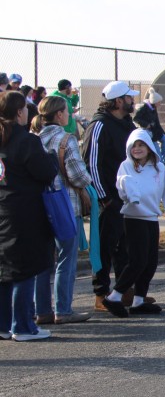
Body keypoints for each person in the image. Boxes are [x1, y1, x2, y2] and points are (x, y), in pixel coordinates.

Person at [99, 130, 165, 317]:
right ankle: (114, 297)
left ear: (149, 147)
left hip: (151, 218)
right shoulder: (126, 166)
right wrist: (130, 191)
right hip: (133, 219)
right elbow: (122, 188)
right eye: (134, 146)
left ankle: (138, 301)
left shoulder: (159, 168)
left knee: (151, 263)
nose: (137, 149)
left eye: (141, 145)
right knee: (138, 261)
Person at [0, 91, 59, 341]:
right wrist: (52, 159)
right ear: (18, 112)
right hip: (25, 211)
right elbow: (45, 172)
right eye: (25, 108)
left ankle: (3, 325)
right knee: (25, 269)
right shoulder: (26, 141)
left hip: (3, 209)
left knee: (4, 271)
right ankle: (23, 326)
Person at [33, 96, 93, 325]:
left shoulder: (35, 139)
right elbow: (78, 176)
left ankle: (42, 310)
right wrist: (88, 181)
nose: (69, 115)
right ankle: (63, 309)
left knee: (42, 262)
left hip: (40, 206)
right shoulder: (66, 140)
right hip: (66, 206)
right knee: (66, 260)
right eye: (67, 111)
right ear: (59, 115)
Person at [82, 80, 139, 310]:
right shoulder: (99, 125)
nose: (132, 100)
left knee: (125, 247)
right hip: (108, 199)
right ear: (118, 101)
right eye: (129, 97)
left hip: (126, 197)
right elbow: (91, 164)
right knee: (104, 247)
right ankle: (101, 294)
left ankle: (122, 291)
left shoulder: (127, 124)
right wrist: (104, 197)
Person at [133, 87, 165, 165]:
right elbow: (136, 119)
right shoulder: (144, 108)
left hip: (155, 131)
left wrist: (163, 132)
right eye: (159, 102)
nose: (160, 103)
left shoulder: (153, 108)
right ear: (155, 102)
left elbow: (157, 122)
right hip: (149, 133)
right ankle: (160, 163)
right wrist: (146, 124)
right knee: (156, 149)